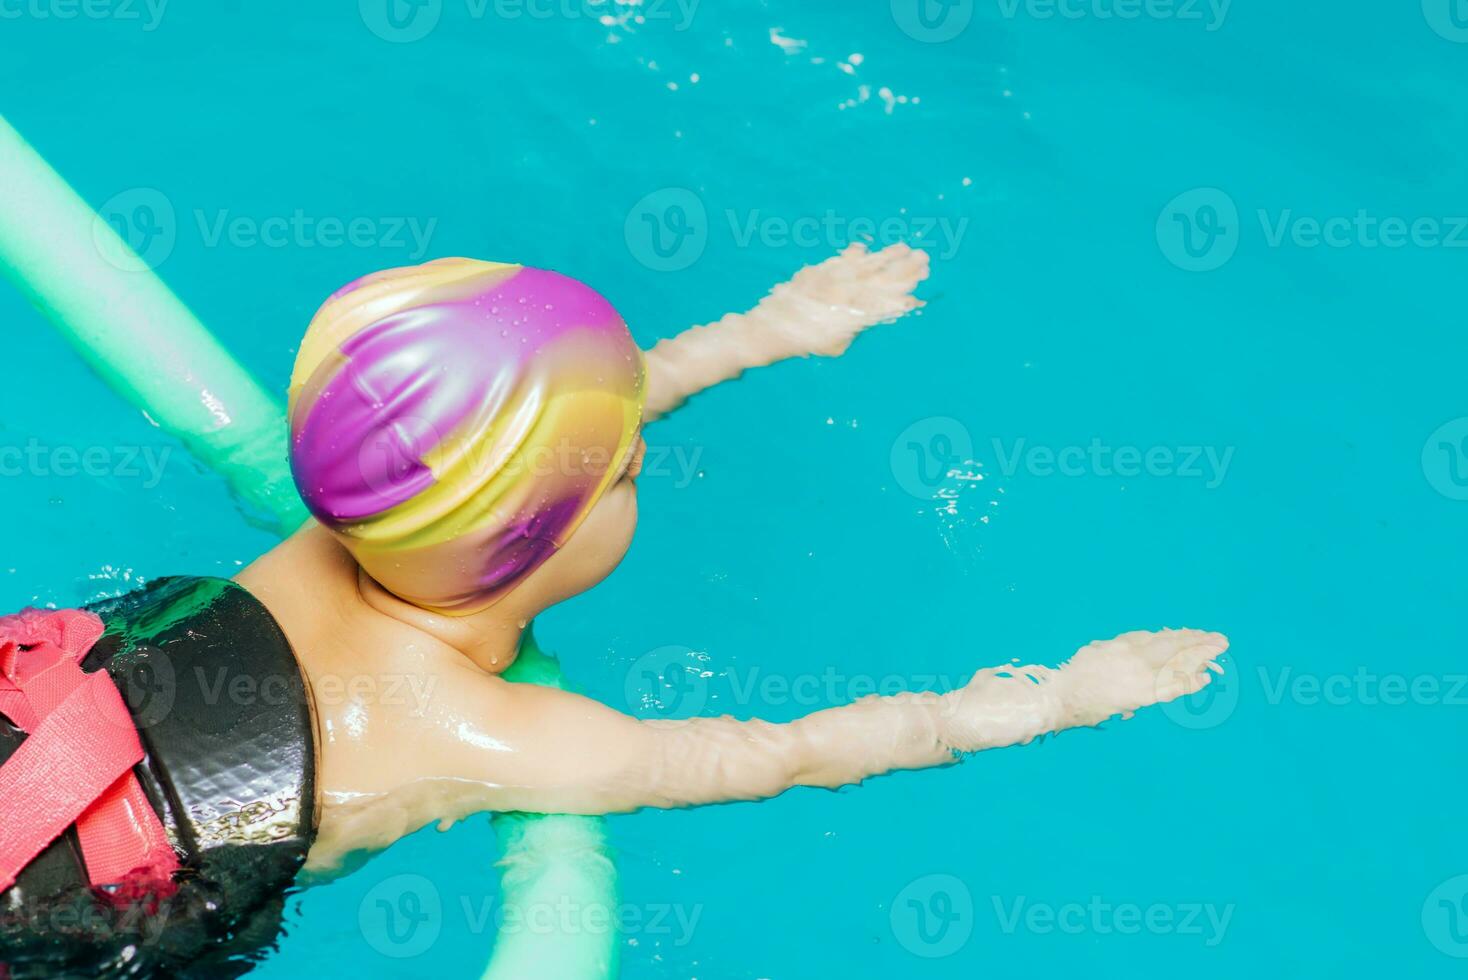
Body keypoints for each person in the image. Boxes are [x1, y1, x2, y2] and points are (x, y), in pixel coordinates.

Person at [0, 245, 1226, 975]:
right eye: (628, 470)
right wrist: (1056, 695)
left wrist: (760, 334)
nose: (643, 459)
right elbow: (796, 753)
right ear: (536, 546)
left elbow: (528, 443)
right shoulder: (513, 739)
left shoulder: (334, 525)